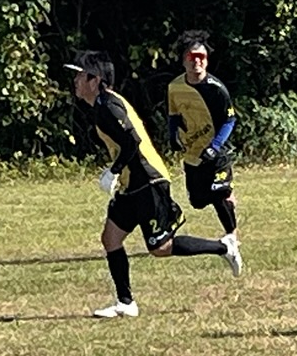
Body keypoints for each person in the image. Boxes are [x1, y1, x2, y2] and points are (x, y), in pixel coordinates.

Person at [67, 50, 239, 318]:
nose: (75, 81)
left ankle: (224, 247)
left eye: (80, 75)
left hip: (149, 181)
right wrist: (118, 174)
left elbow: (132, 141)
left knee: (161, 248)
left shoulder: (109, 106)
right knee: (111, 239)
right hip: (131, 184)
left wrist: (113, 171)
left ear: (95, 79)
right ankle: (126, 303)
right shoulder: (100, 105)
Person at [164, 31, 242, 264]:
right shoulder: (175, 87)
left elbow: (230, 120)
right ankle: (228, 195)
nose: (196, 61)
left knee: (218, 193)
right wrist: (172, 136)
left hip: (216, 154)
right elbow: (174, 115)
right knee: (197, 201)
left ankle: (232, 238)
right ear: (183, 60)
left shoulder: (216, 89)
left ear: (207, 60)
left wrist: (215, 146)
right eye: (192, 57)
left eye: (201, 57)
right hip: (192, 153)